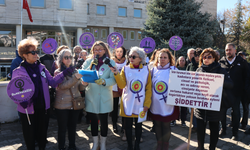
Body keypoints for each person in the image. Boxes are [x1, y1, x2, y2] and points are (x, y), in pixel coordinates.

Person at [11, 37, 75, 150]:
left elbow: (53, 82)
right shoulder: (18, 71)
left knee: (42, 137)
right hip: (27, 110)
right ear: (24, 55)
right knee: (30, 137)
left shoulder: (42, 68)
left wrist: (64, 73)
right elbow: (14, 91)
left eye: (36, 51)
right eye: (33, 52)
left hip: (43, 108)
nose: (36, 54)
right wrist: (21, 101)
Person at [110, 46, 152, 150]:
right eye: (129, 56)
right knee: (127, 127)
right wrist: (116, 74)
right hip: (127, 103)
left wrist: (147, 104)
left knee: (139, 126)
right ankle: (129, 146)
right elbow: (121, 85)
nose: (131, 58)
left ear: (140, 58)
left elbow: (148, 89)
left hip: (141, 103)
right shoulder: (125, 68)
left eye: (133, 56)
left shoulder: (146, 70)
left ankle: (137, 146)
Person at [195, 48, 233, 150]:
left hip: (215, 106)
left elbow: (230, 84)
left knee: (214, 129)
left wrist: (217, 81)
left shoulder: (221, 70)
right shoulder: (198, 70)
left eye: (209, 57)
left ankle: (212, 148)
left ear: (214, 58)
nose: (206, 59)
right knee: (200, 129)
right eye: (204, 57)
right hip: (200, 106)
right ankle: (200, 147)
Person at [81, 41, 116, 150]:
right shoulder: (88, 62)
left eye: (100, 49)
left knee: (104, 122)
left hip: (104, 96)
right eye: (95, 50)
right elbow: (83, 75)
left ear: (105, 50)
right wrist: (84, 81)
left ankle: (103, 143)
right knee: (94, 122)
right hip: (91, 96)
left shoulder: (110, 62)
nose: (97, 52)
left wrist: (104, 81)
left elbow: (114, 79)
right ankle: (95, 143)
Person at [54, 49, 85, 150]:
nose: (68, 59)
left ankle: (72, 146)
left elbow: (79, 88)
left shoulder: (75, 71)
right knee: (62, 129)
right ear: (61, 59)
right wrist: (75, 78)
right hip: (62, 105)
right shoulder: (57, 72)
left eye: (70, 57)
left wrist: (84, 84)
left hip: (74, 103)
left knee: (73, 128)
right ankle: (61, 147)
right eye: (66, 57)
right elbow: (62, 86)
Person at [149, 49, 179, 150]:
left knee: (166, 125)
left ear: (169, 59)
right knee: (157, 124)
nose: (162, 59)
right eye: (160, 57)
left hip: (167, 104)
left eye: (165, 57)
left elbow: (179, 85)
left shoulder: (174, 70)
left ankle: (165, 145)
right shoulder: (153, 70)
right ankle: (159, 144)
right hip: (155, 103)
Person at [219, 43, 249, 140]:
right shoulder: (221, 62)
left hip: (237, 93)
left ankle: (235, 132)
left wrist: (245, 89)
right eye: (227, 50)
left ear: (235, 50)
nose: (228, 52)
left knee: (236, 112)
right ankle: (223, 129)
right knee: (222, 112)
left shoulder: (242, 62)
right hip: (224, 93)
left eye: (230, 50)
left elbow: (247, 77)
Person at [185, 48, 203, 131]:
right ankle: (195, 126)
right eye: (195, 55)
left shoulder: (204, 66)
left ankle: (201, 125)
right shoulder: (190, 65)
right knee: (192, 110)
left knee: (201, 110)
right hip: (192, 91)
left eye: (199, 55)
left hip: (202, 92)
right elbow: (185, 77)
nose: (197, 57)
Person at [111, 46, 127, 133]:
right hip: (114, 87)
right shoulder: (112, 61)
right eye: (117, 51)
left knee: (124, 106)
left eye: (121, 51)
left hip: (124, 87)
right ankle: (114, 124)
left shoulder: (127, 61)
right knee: (114, 107)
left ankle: (124, 125)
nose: (119, 53)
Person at [237, 51, 250, 130]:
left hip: (245, 91)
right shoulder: (236, 65)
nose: (241, 57)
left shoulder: (248, 66)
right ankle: (234, 122)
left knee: (245, 108)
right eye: (240, 56)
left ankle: (244, 123)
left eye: (243, 56)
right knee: (235, 108)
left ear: (245, 57)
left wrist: (247, 88)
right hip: (237, 90)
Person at [175, 56, 187, 127]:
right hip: (176, 90)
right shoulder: (175, 69)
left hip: (184, 90)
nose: (181, 62)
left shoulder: (187, 69)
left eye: (183, 60)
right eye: (180, 60)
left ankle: (183, 121)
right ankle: (173, 120)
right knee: (175, 106)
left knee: (183, 107)